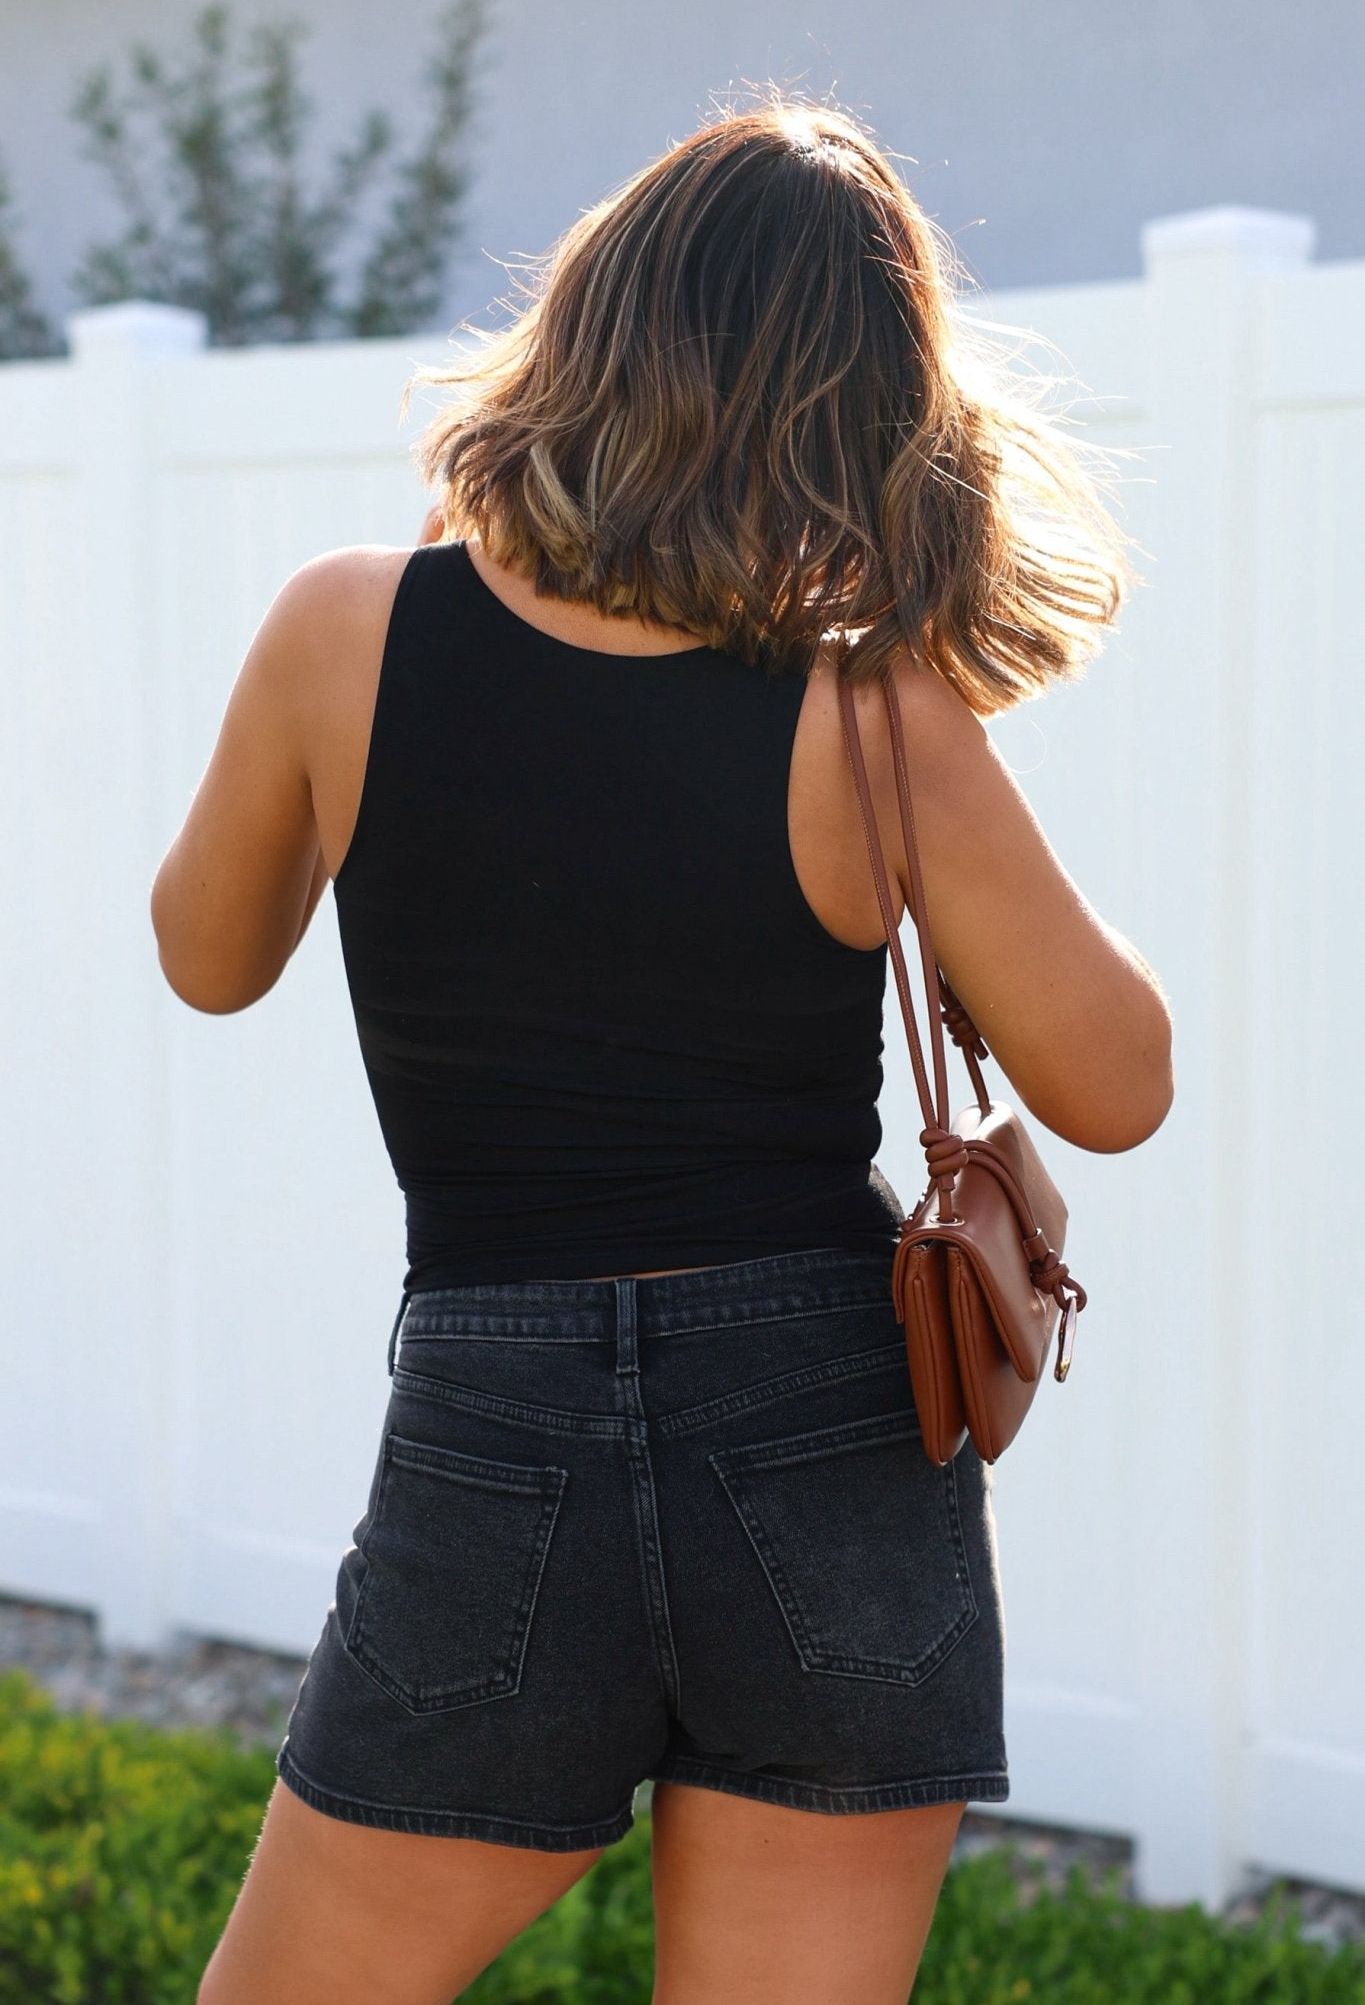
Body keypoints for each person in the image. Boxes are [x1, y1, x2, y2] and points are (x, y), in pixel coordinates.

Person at [153, 98, 1173, 2005]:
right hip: (825, 1418)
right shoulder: (872, 708)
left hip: (498, 1410)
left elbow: (207, 959)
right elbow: (1121, 1081)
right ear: (872, 411)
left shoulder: (346, 629)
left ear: (591, 329)